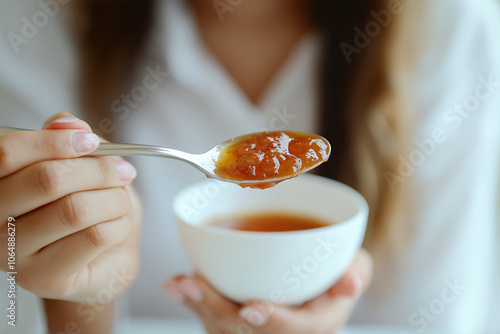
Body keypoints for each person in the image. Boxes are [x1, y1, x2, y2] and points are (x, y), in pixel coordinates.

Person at [0, 0, 499, 333]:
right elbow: (18, 306)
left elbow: (439, 320)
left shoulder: (447, 29)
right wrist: (82, 293)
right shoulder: (37, 21)